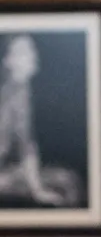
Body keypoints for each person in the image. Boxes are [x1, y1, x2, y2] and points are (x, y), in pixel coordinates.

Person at [0, 32, 82, 204]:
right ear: (8, 60)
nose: (32, 55)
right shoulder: (6, 94)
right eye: (24, 51)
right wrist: (36, 188)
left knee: (68, 180)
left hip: (11, 170)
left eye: (31, 49)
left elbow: (26, 144)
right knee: (67, 184)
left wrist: (37, 188)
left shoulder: (22, 90)